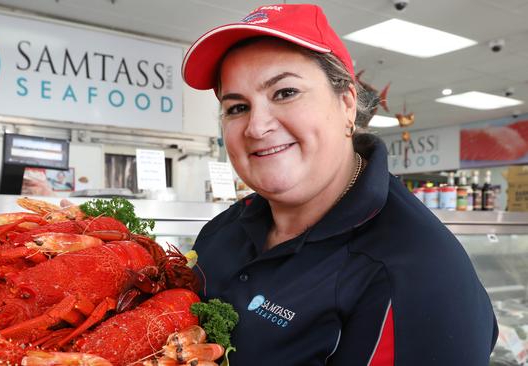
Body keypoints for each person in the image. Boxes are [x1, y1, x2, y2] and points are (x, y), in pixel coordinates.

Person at [182, 4, 497, 365]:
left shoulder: (416, 276)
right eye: (236, 107)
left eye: (285, 92)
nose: (256, 127)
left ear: (347, 104)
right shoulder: (223, 229)